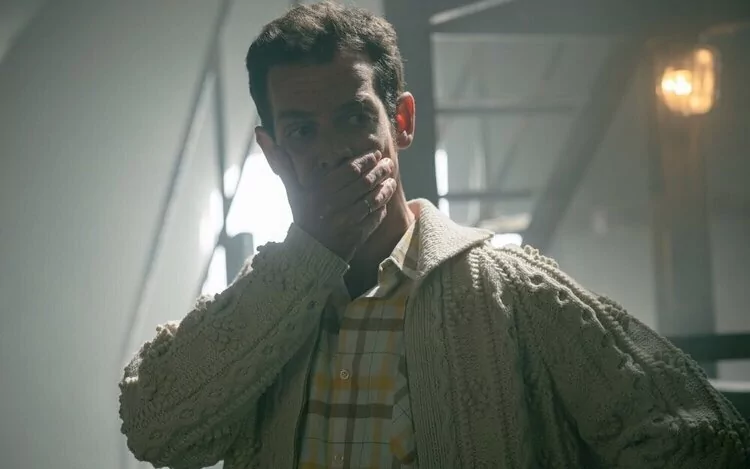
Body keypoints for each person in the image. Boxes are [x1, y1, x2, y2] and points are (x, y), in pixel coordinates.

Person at [118, 2, 749, 468]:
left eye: (355, 118)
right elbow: (155, 429)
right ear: (273, 153)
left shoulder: (512, 290)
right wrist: (308, 257)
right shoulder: (257, 311)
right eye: (303, 131)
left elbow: (704, 440)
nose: (334, 152)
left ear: (402, 121)